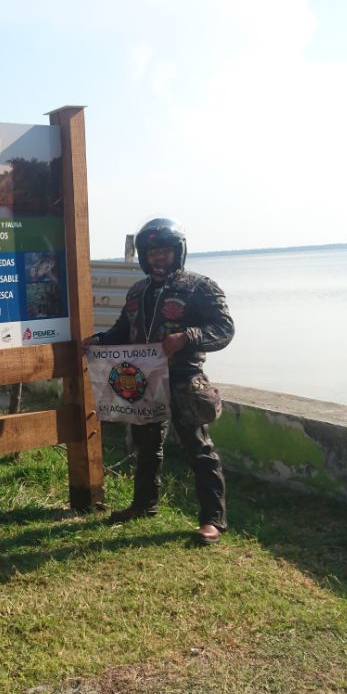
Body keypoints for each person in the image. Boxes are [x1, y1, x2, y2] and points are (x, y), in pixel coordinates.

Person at [82, 217, 234, 544]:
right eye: (152, 253)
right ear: (143, 256)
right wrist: (100, 341)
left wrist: (187, 337)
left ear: (178, 252)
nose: (158, 258)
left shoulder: (200, 287)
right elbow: (123, 329)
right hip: (142, 379)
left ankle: (213, 519)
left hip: (183, 377)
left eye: (164, 252)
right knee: (146, 446)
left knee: (199, 448)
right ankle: (144, 504)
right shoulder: (138, 291)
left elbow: (224, 330)